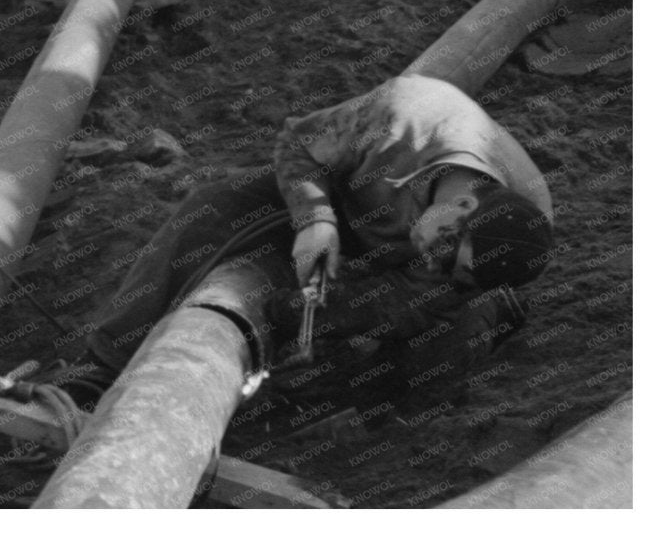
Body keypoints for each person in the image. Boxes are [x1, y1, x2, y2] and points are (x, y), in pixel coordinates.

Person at [47, 74, 555, 408]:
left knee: (441, 352)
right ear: (464, 205)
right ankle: (101, 367)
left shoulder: (509, 228)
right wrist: (316, 220)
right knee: (213, 209)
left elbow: (413, 299)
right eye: (445, 248)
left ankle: (484, 316)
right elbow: (297, 143)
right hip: (341, 197)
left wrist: (313, 314)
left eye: (454, 271)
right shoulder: (404, 118)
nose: (434, 259)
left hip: (410, 260)